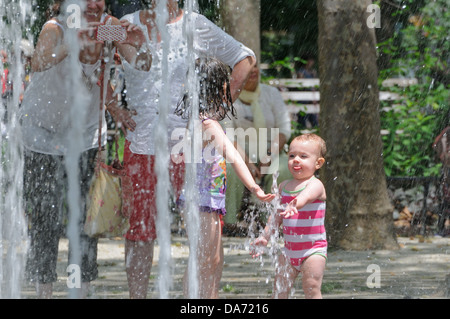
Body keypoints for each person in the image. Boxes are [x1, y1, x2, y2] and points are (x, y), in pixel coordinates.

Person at [113, 0, 256, 299]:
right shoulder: (126, 22)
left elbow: (245, 58)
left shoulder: (196, 24)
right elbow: (87, 43)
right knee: (140, 231)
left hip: (190, 147)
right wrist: (113, 106)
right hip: (143, 144)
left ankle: (203, 301)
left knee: (204, 235)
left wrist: (217, 110)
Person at [19, 0, 147, 298]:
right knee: (44, 218)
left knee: (85, 218)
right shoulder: (56, 28)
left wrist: (139, 45)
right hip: (42, 134)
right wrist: (74, 40)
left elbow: (131, 65)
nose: (93, 3)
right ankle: (44, 291)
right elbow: (38, 62)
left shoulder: (107, 27)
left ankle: (82, 289)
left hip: (85, 134)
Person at [175, 57, 275, 298]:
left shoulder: (202, 121)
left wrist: (250, 166)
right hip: (201, 201)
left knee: (213, 259)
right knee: (203, 260)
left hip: (207, 200)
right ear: (216, 88)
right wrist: (254, 187)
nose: (229, 89)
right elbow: (232, 155)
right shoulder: (207, 124)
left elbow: (230, 147)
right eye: (226, 84)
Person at [251, 133, 327, 299]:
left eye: (303, 156)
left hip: (313, 250)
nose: (296, 160)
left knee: (312, 287)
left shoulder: (316, 184)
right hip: (289, 250)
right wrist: (265, 236)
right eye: (292, 155)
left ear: (318, 163)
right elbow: (276, 216)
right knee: (279, 290)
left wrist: (295, 204)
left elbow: (306, 196)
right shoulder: (284, 186)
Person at [220, 63, 291, 225]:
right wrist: (246, 163)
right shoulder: (228, 96)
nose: (253, 71)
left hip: (270, 150)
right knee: (229, 169)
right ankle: (229, 222)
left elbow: (284, 129)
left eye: (255, 66)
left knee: (284, 169)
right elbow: (228, 135)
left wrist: (268, 157)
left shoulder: (271, 93)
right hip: (237, 152)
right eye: (248, 67)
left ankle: (274, 225)